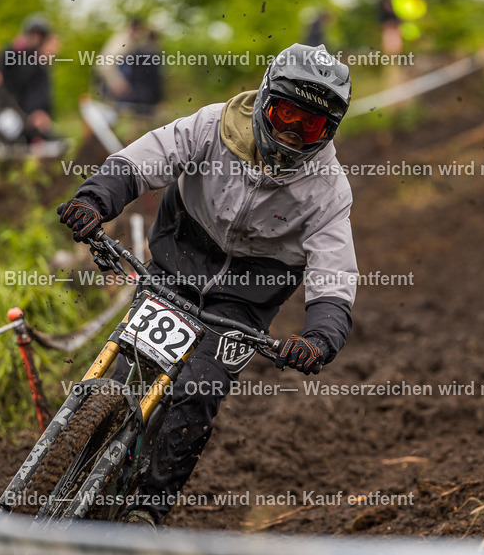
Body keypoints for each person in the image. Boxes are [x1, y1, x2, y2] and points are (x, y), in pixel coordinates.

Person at [57, 43, 357, 526]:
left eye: (311, 125)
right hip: (177, 262)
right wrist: (95, 199)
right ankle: (68, 447)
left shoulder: (328, 188)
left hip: (244, 301)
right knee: (124, 356)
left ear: (328, 132)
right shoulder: (212, 126)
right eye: (285, 113)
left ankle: (148, 509)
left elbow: (334, 270)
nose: (292, 132)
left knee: (200, 385)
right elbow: (147, 158)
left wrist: (320, 335)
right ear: (265, 100)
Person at [0, 14, 60, 145]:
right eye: (34, 35)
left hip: (29, 118)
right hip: (6, 111)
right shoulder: (11, 54)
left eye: (40, 36)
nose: (36, 39)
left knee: (49, 138)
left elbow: (39, 94)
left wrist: (40, 113)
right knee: (10, 126)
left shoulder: (40, 65)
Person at [95, 16, 164, 116]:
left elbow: (151, 43)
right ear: (135, 29)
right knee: (111, 112)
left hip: (116, 80)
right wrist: (116, 82)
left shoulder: (133, 41)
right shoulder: (121, 41)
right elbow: (105, 64)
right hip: (108, 80)